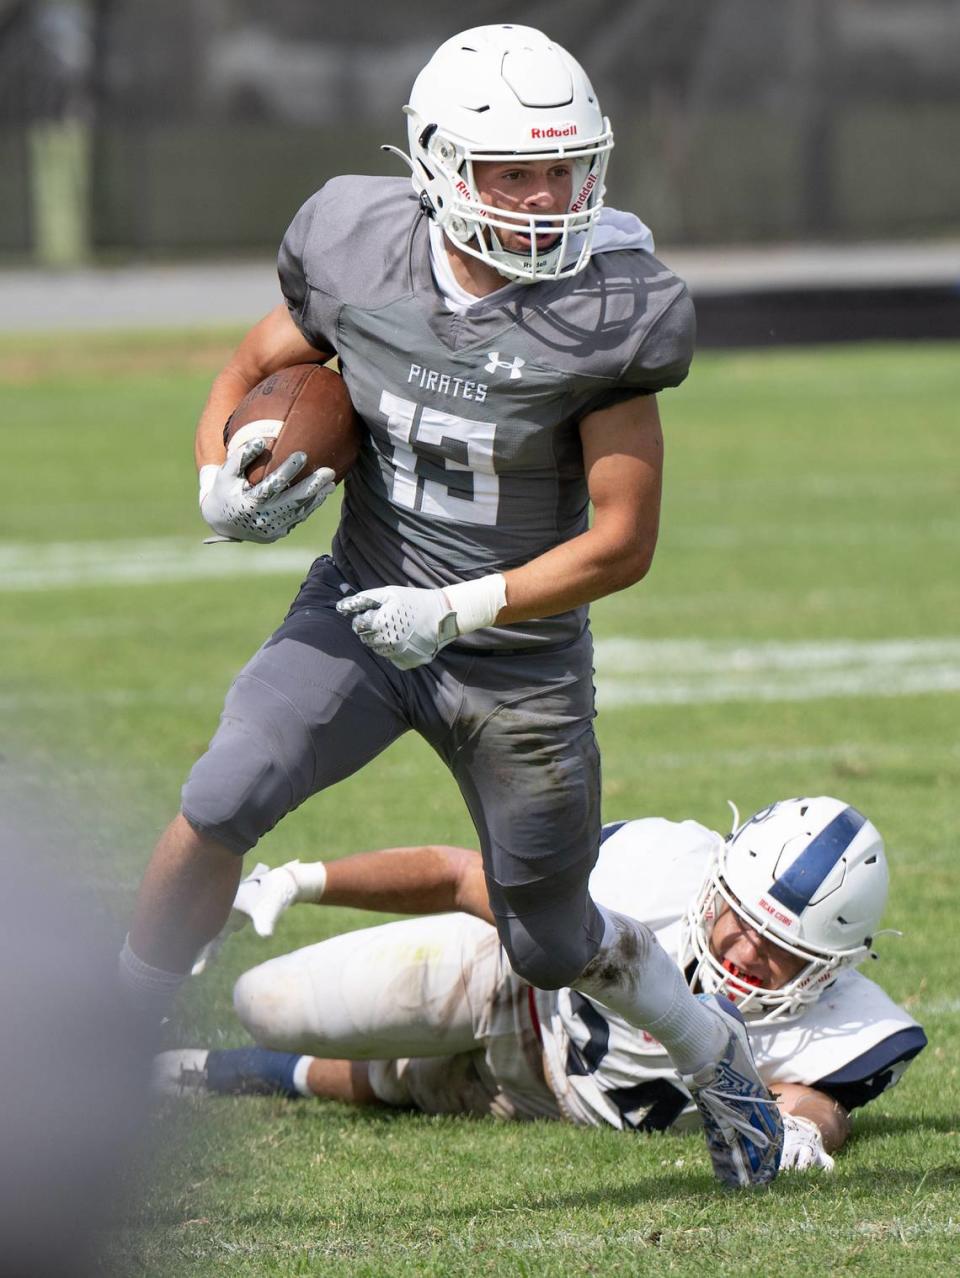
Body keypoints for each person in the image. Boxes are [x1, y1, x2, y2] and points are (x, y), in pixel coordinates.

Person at [120, 24, 782, 1186]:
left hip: (515, 655)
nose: (543, 199)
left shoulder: (611, 307)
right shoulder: (357, 245)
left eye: (564, 168)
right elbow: (248, 367)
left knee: (548, 938)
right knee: (224, 790)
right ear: (434, 164)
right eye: (511, 171)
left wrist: (468, 607)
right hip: (362, 604)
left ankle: (717, 1056)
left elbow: (623, 542)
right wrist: (217, 474)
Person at [156, 796, 927, 1174]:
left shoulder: (852, 1024)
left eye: (782, 950)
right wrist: (304, 880)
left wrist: (803, 1137)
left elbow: (817, 1105)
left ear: (833, 967)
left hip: (550, 1096)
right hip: (515, 983)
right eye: (739, 918)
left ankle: (209, 1072)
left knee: (391, 1087)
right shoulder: (648, 869)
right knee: (266, 1001)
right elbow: (464, 875)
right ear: (715, 880)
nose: (745, 950)